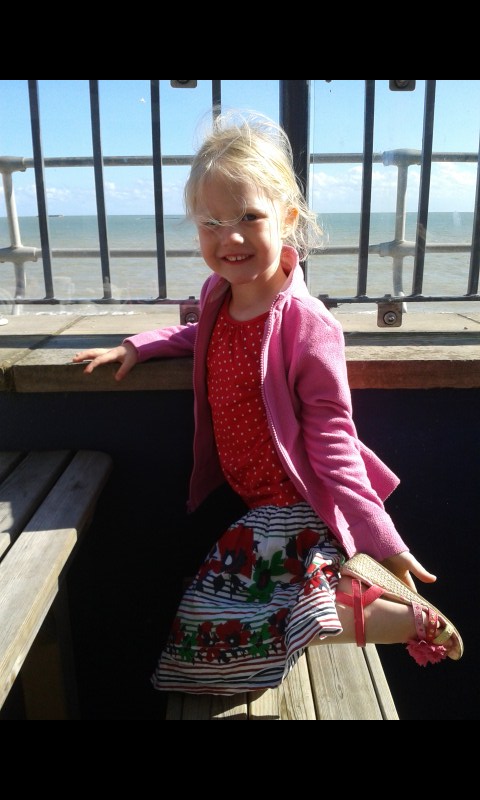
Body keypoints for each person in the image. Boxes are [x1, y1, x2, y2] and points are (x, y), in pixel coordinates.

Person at [73, 110, 463, 695]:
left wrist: (384, 542)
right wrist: (139, 345)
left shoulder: (307, 324)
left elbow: (333, 439)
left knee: (206, 635)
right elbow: (200, 335)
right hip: (257, 506)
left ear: (288, 217)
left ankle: (398, 619)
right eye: (211, 223)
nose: (229, 238)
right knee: (211, 625)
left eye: (248, 218)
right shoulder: (220, 295)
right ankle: (337, 605)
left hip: (294, 507)